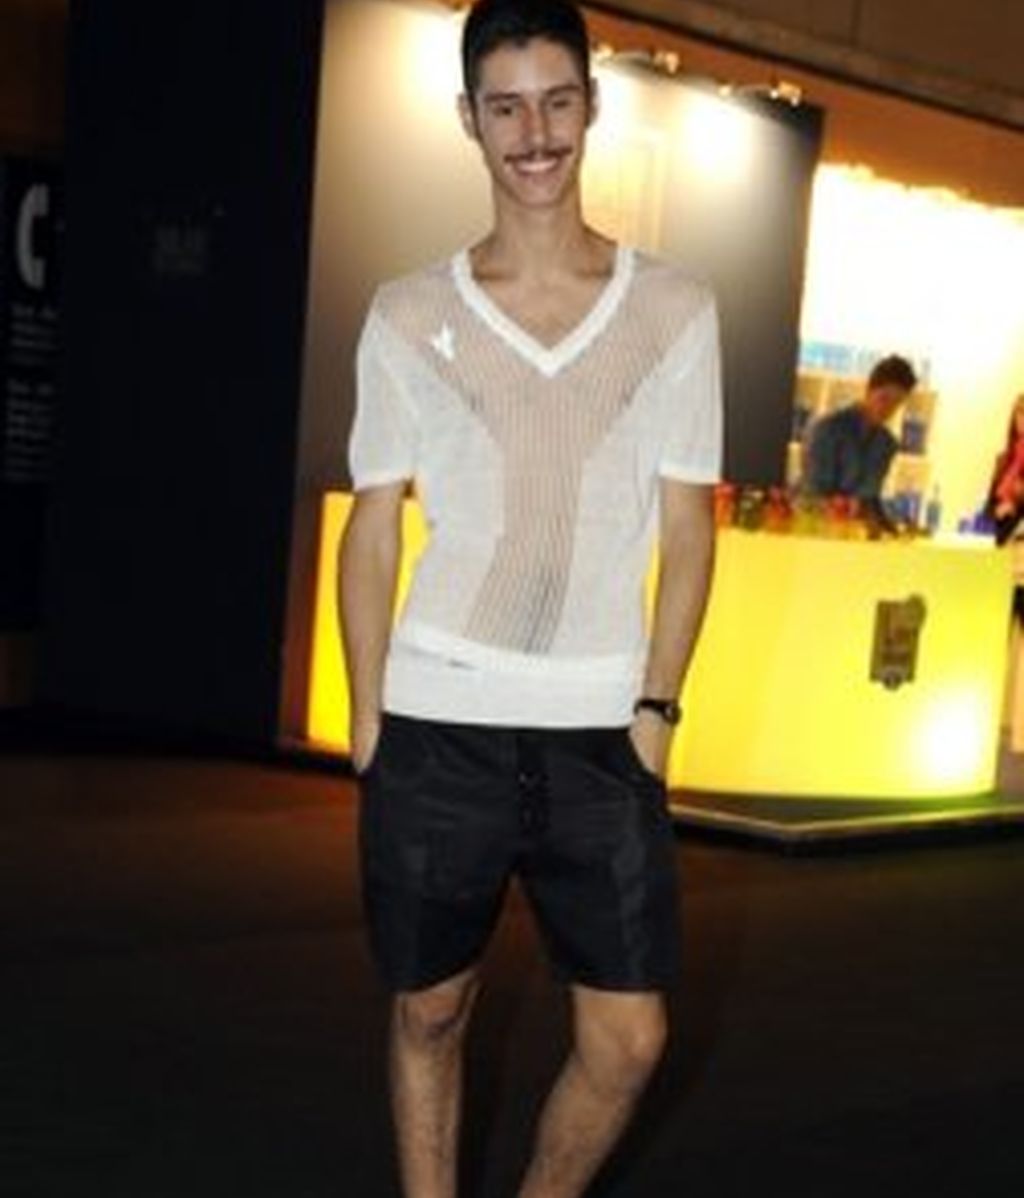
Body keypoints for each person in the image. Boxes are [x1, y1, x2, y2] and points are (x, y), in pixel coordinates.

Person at [339, 2, 721, 1194]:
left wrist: (656, 708)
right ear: (469, 119)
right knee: (430, 1009)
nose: (535, 132)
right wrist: (367, 716)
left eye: (557, 101)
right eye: (505, 107)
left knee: (630, 1038)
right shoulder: (408, 312)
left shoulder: (673, 310)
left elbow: (688, 526)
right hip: (439, 715)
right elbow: (372, 521)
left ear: (591, 107)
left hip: (601, 731)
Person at [803, 354, 918, 525]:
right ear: (869, 390)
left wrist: (891, 523)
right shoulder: (826, 429)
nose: (888, 408)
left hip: (855, 533)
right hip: (815, 528)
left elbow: (870, 499)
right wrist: (841, 506)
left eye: (897, 403)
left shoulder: (887, 444)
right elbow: (812, 495)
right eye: (884, 398)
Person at [985, 393, 1024, 546]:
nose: (1022, 420)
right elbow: (988, 508)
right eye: (1019, 413)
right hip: (1000, 537)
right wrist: (998, 510)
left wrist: (1014, 505)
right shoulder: (1003, 460)